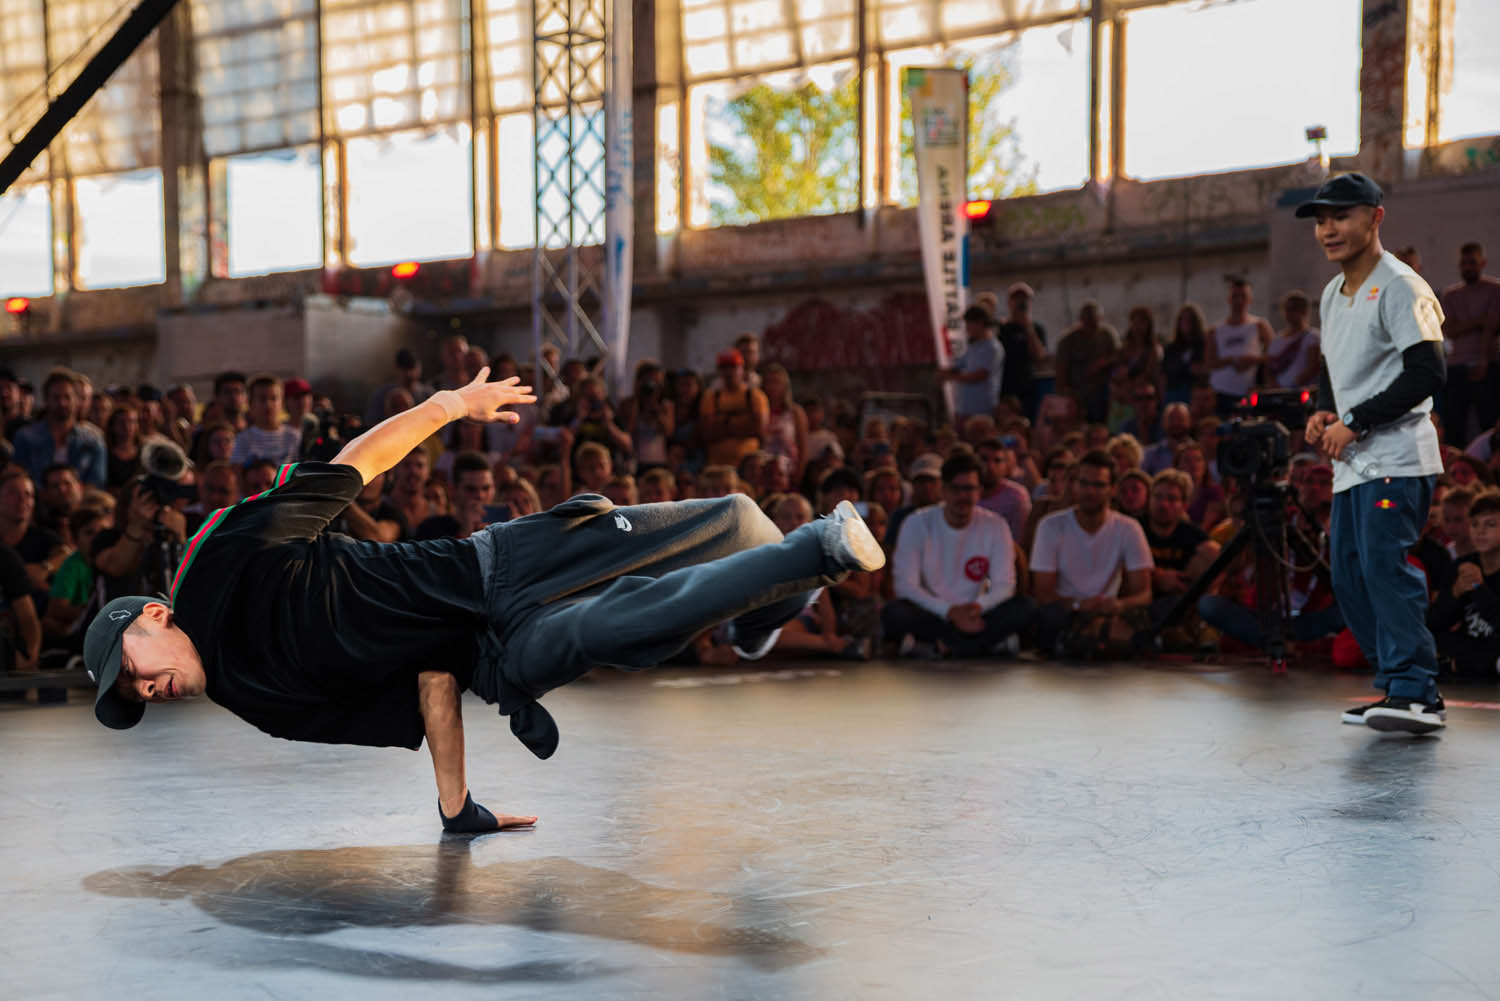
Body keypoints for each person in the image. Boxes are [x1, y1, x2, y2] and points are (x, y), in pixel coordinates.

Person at [82, 368, 886, 833]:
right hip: (501, 655)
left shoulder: (219, 559)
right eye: (136, 699)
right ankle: (818, 553)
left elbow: (349, 469)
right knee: (619, 626)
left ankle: (760, 616)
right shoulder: (257, 700)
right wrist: (456, 806)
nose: (147, 691)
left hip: (499, 564)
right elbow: (430, 681)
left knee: (739, 518)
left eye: (133, 671)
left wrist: (449, 406)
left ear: (152, 615)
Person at [1299, 172, 1448, 734]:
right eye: (1321, 220)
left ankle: (1417, 690)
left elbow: (1429, 371)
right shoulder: (1332, 294)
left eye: (1341, 216)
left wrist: (1355, 421)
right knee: (1350, 575)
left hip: (1397, 458)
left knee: (1386, 567)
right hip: (1354, 466)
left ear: (1375, 217)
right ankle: (1396, 686)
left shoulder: (1402, 285)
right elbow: (1332, 366)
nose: (1328, 229)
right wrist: (1322, 408)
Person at [882, 453, 1036, 658]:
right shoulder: (916, 523)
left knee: (1026, 608)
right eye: (956, 489)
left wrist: (978, 607)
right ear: (943, 491)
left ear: (979, 492)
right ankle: (982, 645)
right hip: (934, 612)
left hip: (978, 613)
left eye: (969, 489)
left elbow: (1005, 585)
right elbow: (905, 586)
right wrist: (950, 612)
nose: (962, 496)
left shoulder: (996, 525)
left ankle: (945, 645)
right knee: (894, 613)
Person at [1030, 450, 1154, 657]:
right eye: (1084, 483)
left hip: (1110, 611)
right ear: (1075, 485)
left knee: (1157, 613)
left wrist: (1118, 604)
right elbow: (1043, 593)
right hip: (1067, 611)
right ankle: (1096, 636)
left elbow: (1144, 593)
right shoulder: (1050, 525)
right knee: (1047, 615)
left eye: (1098, 485)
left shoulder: (1128, 528)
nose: (1089, 491)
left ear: (1113, 489)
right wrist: (1079, 605)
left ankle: (1092, 636)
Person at [1428, 489, 1500, 678]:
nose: (1480, 532)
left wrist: (1479, 589)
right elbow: (1436, 621)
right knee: (1426, 639)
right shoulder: (1462, 565)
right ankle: (1481, 665)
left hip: (1495, 641)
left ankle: (1456, 665)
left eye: (1490, 525)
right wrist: (1455, 592)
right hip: (1471, 643)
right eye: (1475, 525)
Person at [1439, 242, 1500, 442]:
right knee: (1454, 424)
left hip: (1489, 363)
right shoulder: (1451, 295)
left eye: (1472, 263)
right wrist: (1478, 321)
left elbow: (1492, 327)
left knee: (1489, 423)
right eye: (1463, 263)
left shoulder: (1495, 290)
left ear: (1483, 262)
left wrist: (1482, 359)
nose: (1467, 267)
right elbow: (1449, 330)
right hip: (1457, 366)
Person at [11, 369, 108, 487]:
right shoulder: (25, 438)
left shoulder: (94, 441)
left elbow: (96, 482)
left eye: (67, 397)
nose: (62, 403)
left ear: (76, 400)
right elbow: (19, 479)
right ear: (46, 400)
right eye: (56, 397)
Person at [1205, 279, 1273, 416]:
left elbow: (1274, 354)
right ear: (1229, 299)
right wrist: (1232, 360)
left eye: (1243, 296)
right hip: (1221, 392)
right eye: (1235, 296)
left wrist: (1253, 360)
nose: (1239, 301)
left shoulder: (1259, 325)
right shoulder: (1216, 329)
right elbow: (1209, 362)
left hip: (1249, 391)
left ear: (1250, 299)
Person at [941, 306, 1005, 421]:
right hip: (964, 408)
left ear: (980, 323)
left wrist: (951, 376)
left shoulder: (992, 348)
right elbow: (958, 366)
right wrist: (944, 372)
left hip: (981, 410)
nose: (966, 329)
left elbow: (980, 375)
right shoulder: (973, 346)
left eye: (968, 324)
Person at [231, 374, 302, 467]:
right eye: (262, 399)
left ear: (282, 402)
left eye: (274, 398)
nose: (268, 405)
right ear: (250, 403)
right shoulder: (242, 440)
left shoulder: (295, 437)